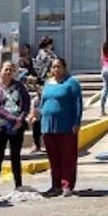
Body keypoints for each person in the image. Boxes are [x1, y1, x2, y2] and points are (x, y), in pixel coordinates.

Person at [36, 57, 83, 197]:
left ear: (64, 67)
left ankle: (67, 185)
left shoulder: (71, 83)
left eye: (59, 66)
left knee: (67, 156)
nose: (56, 69)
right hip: (48, 126)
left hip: (66, 125)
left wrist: (77, 122)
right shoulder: (47, 84)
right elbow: (42, 102)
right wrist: (38, 115)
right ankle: (55, 185)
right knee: (54, 158)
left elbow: (78, 104)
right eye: (54, 67)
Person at [0, 61, 30, 199]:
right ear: (0, 71)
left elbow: (26, 103)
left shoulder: (19, 87)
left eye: (11, 70)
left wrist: (21, 119)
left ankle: (18, 184)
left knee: (15, 156)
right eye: (5, 69)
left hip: (16, 127)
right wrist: (13, 118)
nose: (8, 72)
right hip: (0, 127)